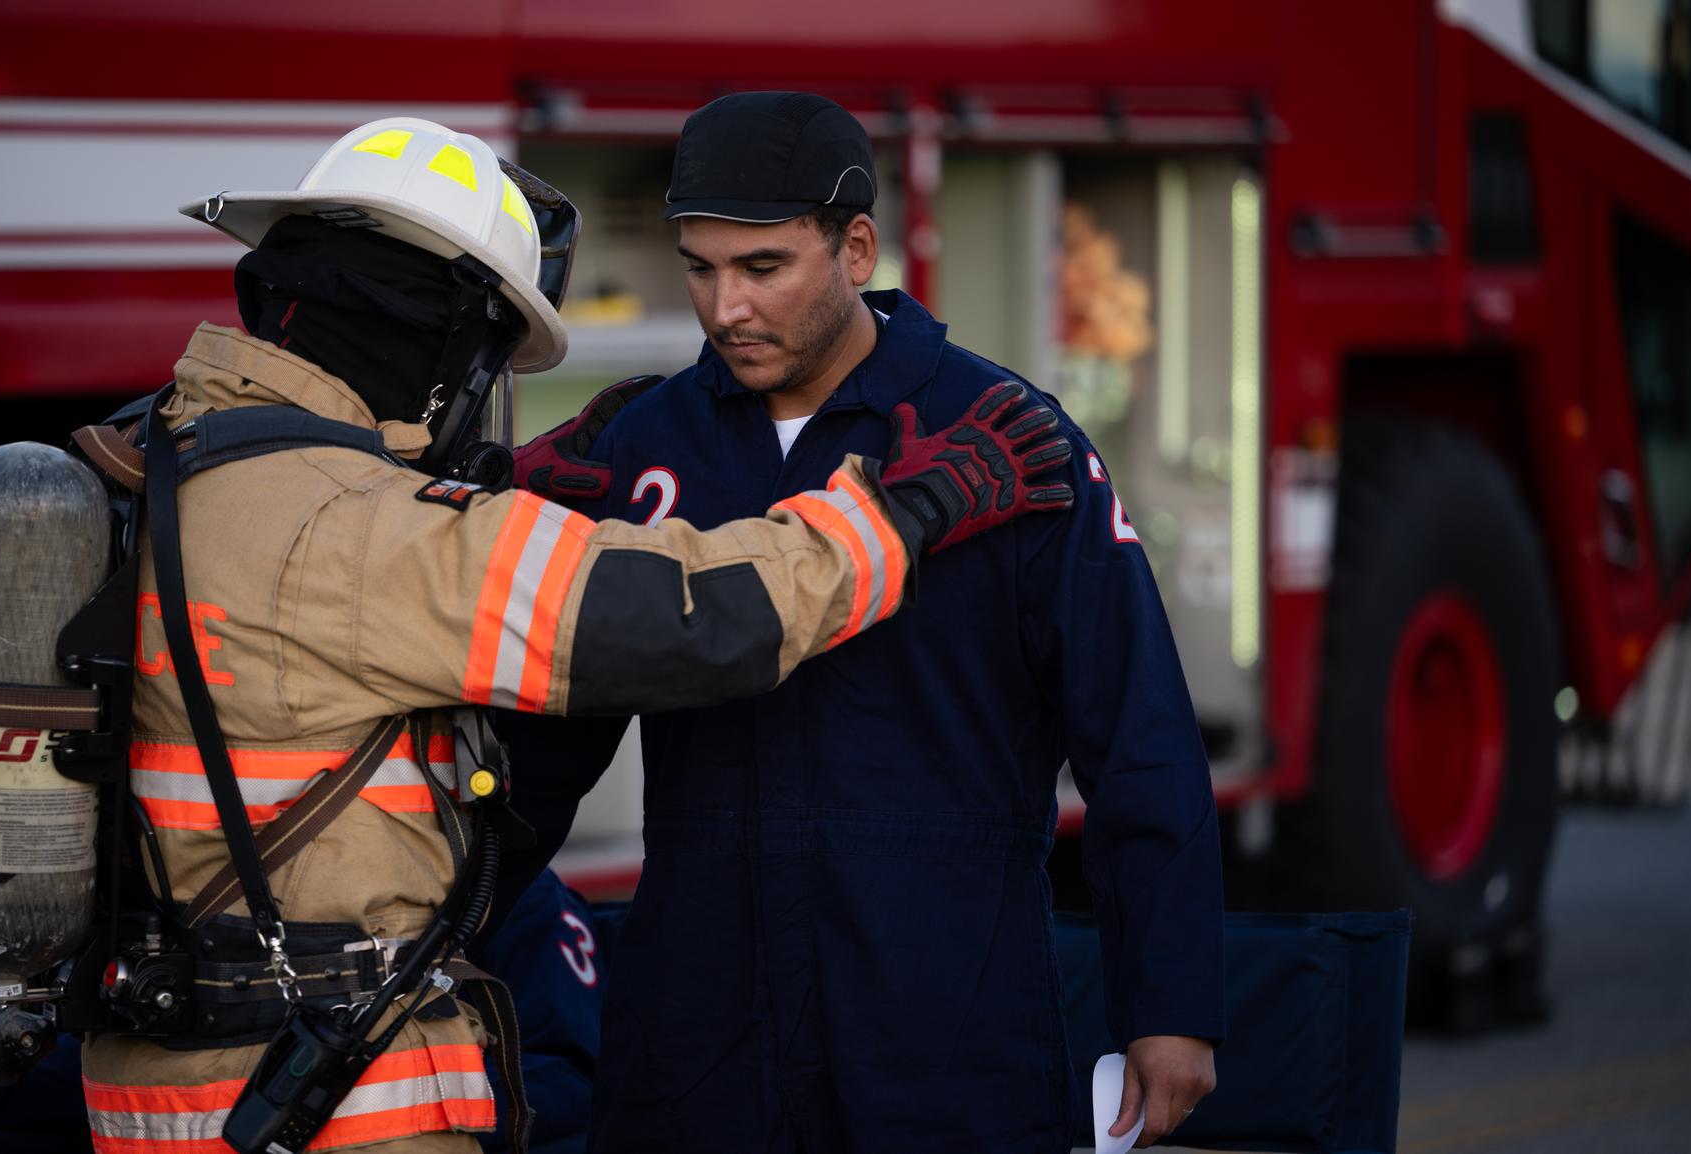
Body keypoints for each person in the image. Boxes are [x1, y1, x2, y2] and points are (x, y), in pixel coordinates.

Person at [57, 115, 1071, 1154]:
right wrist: (909, 510)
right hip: (339, 1108)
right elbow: (696, 622)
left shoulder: (151, 466)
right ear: (445, 342)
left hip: (153, 1095)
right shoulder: (375, 541)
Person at [501, 92, 1222, 1153]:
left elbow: (1138, 735)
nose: (724, 308)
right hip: (696, 1043)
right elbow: (543, 750)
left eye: (761, 268)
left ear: (856, 247)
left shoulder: (1004, 443)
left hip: (943, 1034)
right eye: (699, 267)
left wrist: (1170, 1003)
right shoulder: (647, 451)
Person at [0, 871, 605, 1154]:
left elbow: (572, 1082)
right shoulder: (287, 899)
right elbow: (170, 1051)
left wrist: (371, 1105)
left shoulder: (520, 905)